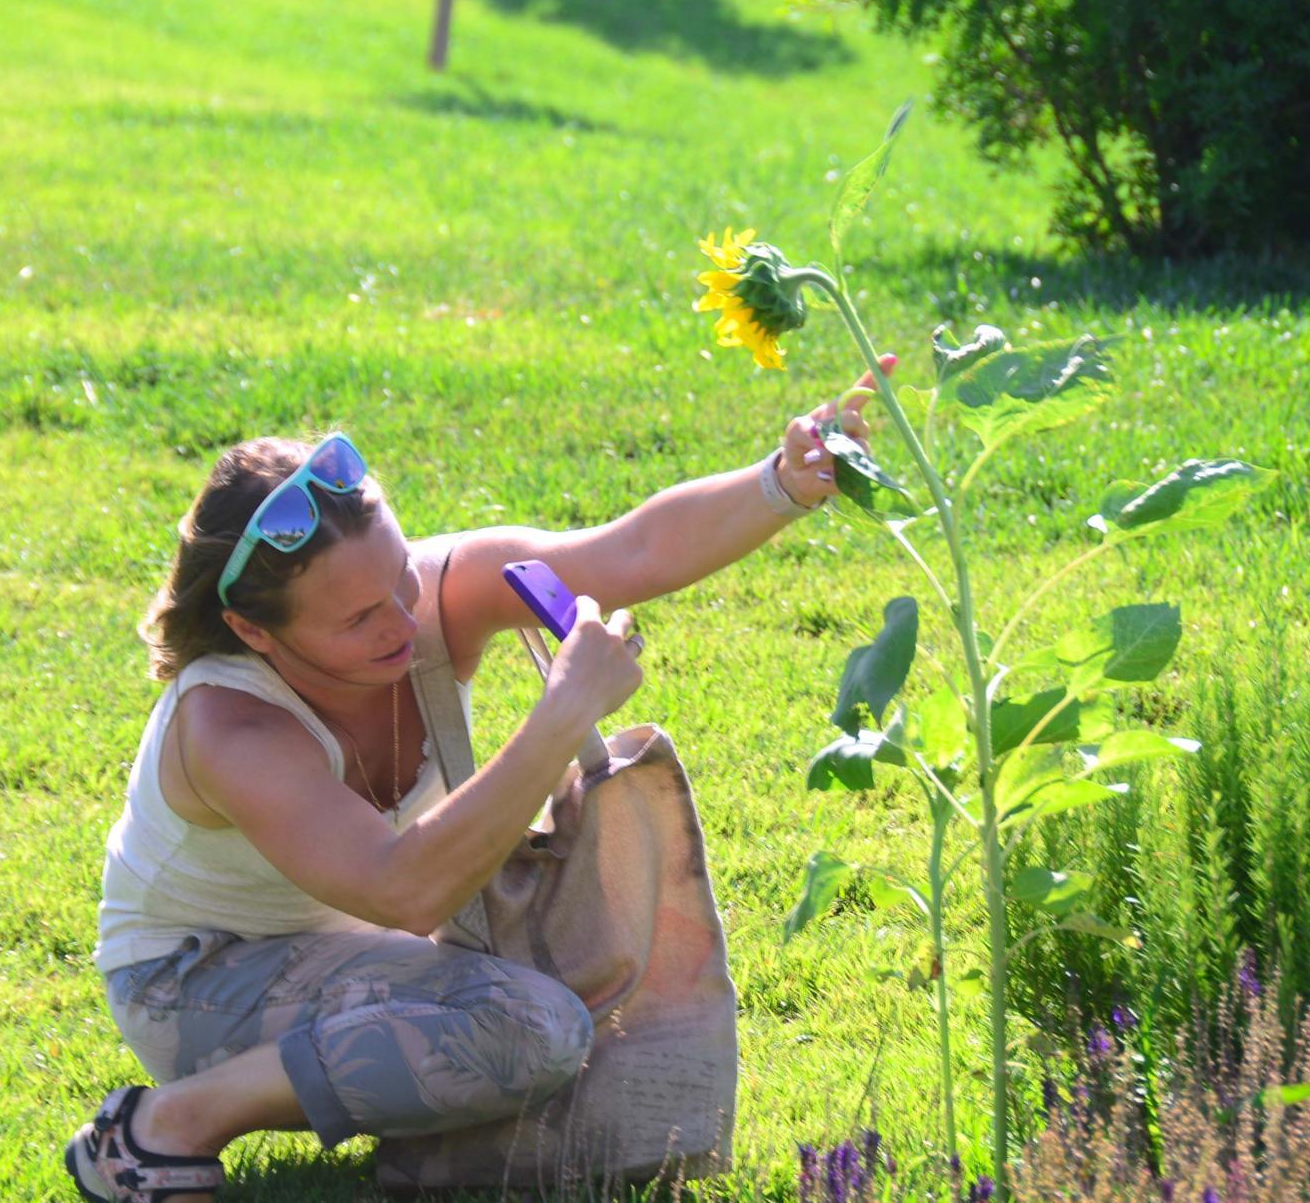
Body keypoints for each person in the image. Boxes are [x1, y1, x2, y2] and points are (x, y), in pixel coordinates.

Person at [64, 362, 887, 1203]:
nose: (399, 619)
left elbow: (628, 551)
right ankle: (163, 1124)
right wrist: (562, 711)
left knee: (580, 1003)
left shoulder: (431, 597)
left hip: (346, 949)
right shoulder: (230, 726)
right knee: (529, 1028)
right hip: (194, 983)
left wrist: (782, 482)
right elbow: (406, 888)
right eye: (357, 618)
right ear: (252, 630)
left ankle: (403, 1107)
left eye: (399, 577)